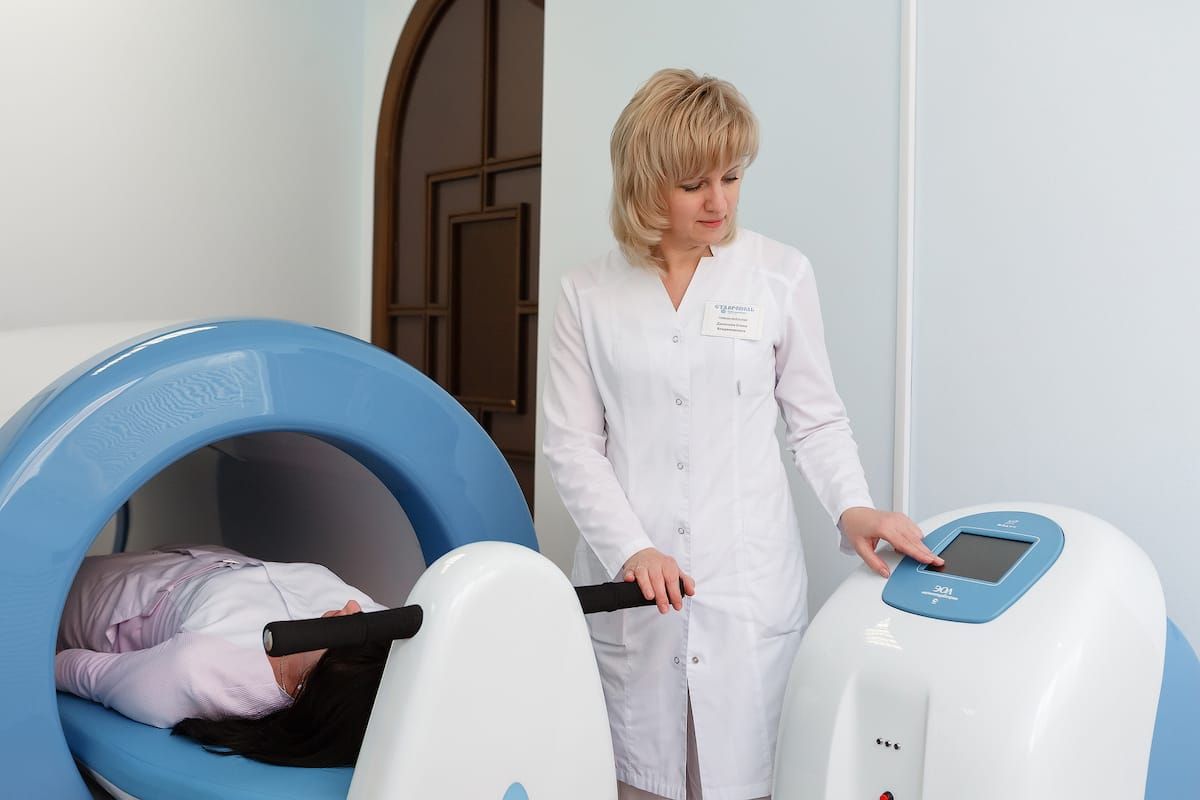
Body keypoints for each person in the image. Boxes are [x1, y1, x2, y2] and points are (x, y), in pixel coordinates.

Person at [541, 68, 944, 800]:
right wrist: (633, 549)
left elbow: (816, 417)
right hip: (634, 590)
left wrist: (853, 507)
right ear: (644, 182)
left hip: (746, 586)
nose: (718, 201)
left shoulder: (778, 275)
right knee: (636, 781)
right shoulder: (586, 294)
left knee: (747, 777)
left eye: (730, 177)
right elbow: (572, 446)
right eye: (694, 183)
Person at [55, 544, 390, 767]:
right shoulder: (379, 635)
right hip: (201, 556)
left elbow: (81, 672)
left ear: (321, 682)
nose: (352, 606)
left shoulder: (202, 672)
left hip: (111, 600)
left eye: (349, 624)